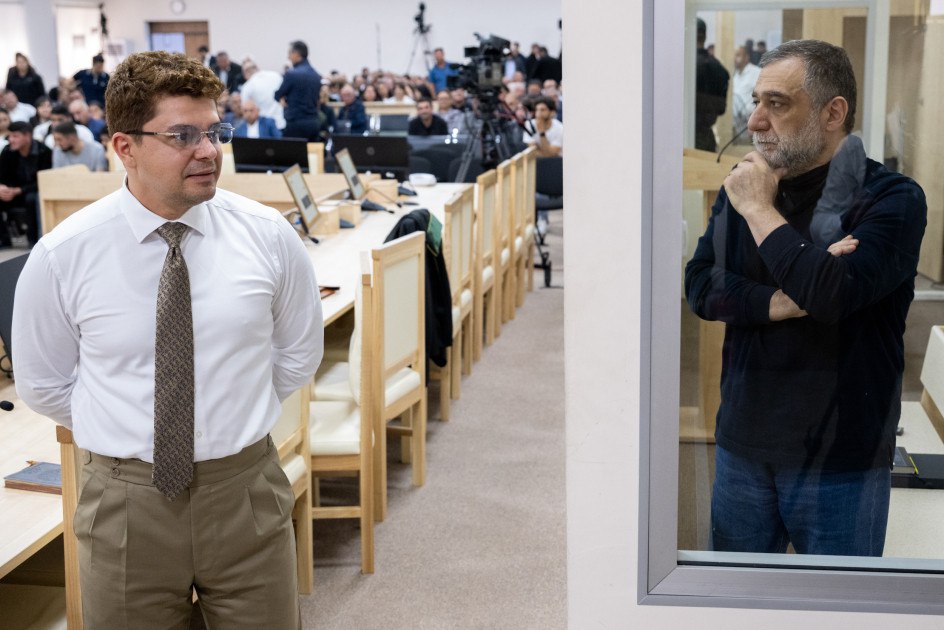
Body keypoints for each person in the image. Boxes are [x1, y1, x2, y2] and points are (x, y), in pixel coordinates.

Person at [12, 50, 323, 627]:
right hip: (126, 505)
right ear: (124, 147)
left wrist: (230, 412)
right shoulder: (64, 255)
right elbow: (44, 383)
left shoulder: (268, 236)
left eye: (215, 132)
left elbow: (297, 354)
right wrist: (125, 426)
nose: (209, 151)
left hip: (244, 491)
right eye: (183, 135)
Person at [684, 40, 927, 557]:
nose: (755, 122)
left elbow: (831, 295)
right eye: (757, 102)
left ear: (833, 113)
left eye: (777, 104)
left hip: (842, 457)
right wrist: (787, 299)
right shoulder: (745, 186)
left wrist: (759, 212)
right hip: (744, 443)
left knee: (838, 601)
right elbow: (702, 286)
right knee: (735, 598)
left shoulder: (892, 199)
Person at [0, 121, 51, 246]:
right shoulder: (7, 151)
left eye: (15, 136)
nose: (10, 140)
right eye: (9, 136)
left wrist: (19, 190)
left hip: (34, 191)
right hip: (12, 192)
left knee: (32, 198)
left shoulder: (44, 151)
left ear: (27, 136)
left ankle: (33, 240)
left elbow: (44, 181)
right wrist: (1, 187)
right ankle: (4, 239)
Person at [274, 40, 322, 141]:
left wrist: (283, 100)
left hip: (295, 124)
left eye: (289, 53)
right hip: (313, 123)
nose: (288, 57)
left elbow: (278, 95)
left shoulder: (292, 74)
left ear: (296, 54)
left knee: (293, 151)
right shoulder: (316, 75)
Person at [694, 18, 729, 151]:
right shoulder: (719, 68)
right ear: (704, 35)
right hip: (706, 139)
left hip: (684, 137)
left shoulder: (683, 67)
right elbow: (721, 108)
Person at [240, 59, 286, 129]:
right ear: (257, 68)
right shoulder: (276, 75)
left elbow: (245, 108)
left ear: (245, 73)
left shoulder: (247, 86)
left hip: (263, 127)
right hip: (281, 122)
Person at [731, 45, 760, 143]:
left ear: (746, 57)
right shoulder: (735, 75)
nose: (735, 58)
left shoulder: (756, 72)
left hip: (750, 124)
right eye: (734, 55)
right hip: (736, 123)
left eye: (738, 55)